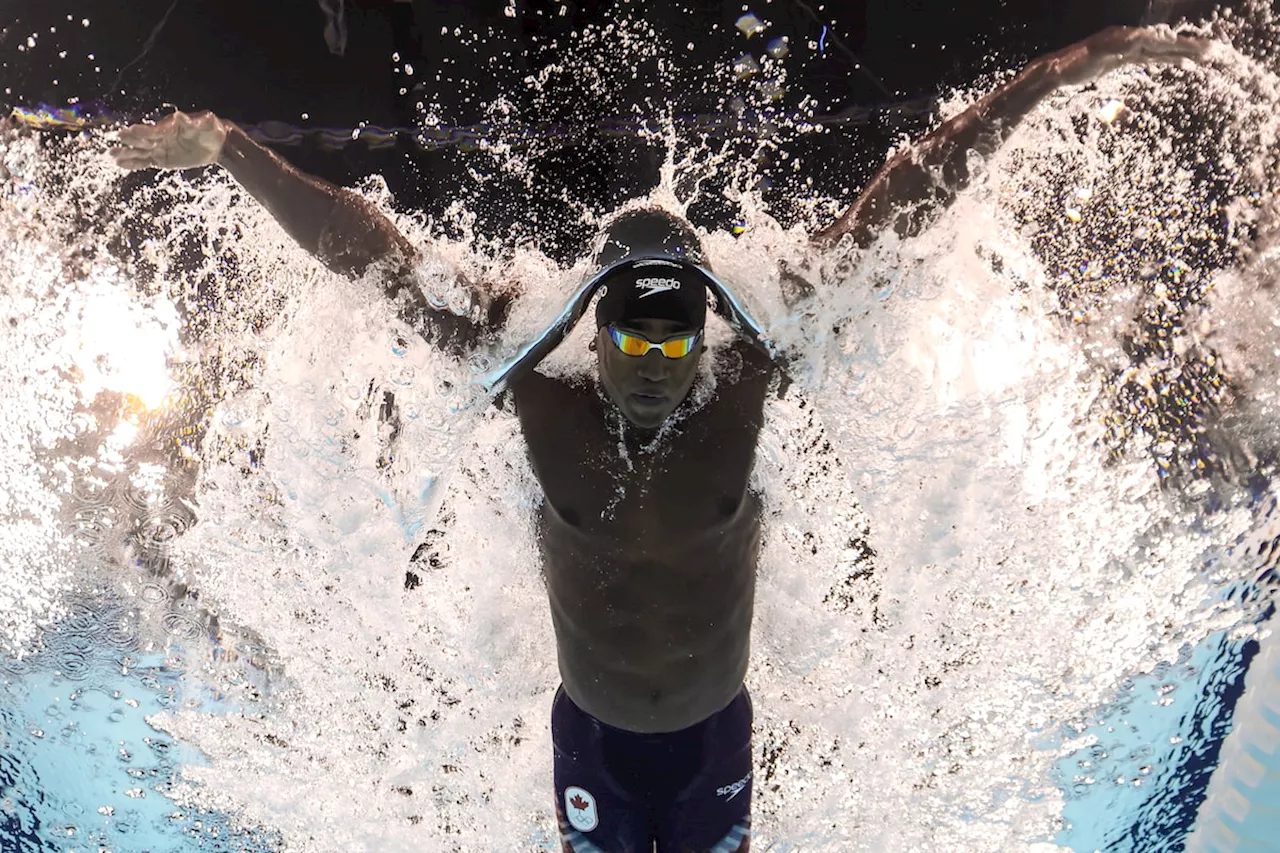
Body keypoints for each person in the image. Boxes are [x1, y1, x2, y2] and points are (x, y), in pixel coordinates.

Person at [111, 25, 1206, 853]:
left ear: (703, 336)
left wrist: (1060, 75)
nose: (646, 372)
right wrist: (233, 153)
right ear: (592, 326)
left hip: (712, 739)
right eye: (627, 346)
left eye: (670, 350)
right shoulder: (534, 381)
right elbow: (372, 254)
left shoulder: (750, 375)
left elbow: (906, 198)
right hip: (588, 735)